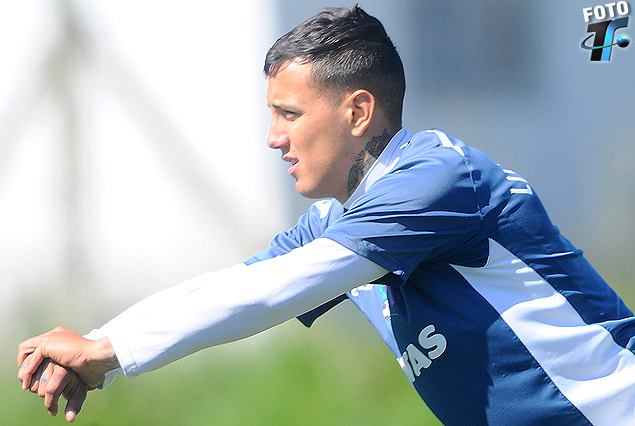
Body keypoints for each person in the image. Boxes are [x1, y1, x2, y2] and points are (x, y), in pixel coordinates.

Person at [17, 5, 635, 425]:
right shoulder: (334, 219)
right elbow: (234, 287)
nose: (273, 138)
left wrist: (107, 349)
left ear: (358, 112)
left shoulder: (433, 181)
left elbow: (269, 294)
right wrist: (96, 348)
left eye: (289, 114)